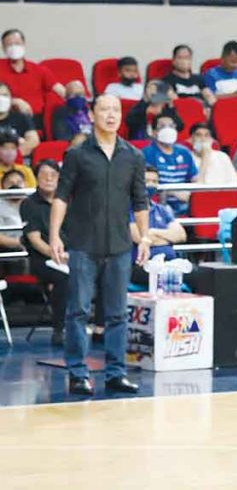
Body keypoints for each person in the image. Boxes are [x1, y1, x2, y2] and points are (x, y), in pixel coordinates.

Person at [50, 95, 150, 396]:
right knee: (78, 311)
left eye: (116, 110)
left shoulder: (133, 155)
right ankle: (77, 374)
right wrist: (55, 235)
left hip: (120, 245)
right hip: (82, 244)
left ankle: (116, 373)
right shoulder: (77, 155)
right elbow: (61, 196)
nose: (111, 115)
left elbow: (140, 200)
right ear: (92, 115)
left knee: (118, 313)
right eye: (104, 109)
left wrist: (144, 236)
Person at [20, 159, 67, 345]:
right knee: (64, 278)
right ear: (36, 178)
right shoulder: (29, 204)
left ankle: (99, 328)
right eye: (44, 175)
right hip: (42, 259)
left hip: (71, 256)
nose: (49, 179)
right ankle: (59, 329)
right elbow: (34, 239)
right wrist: (57, 256)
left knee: (102, 268)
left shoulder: (67, 201)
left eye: (53, 175)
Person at [130, 167, 186, 284]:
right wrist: (167, 238)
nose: (151, 185)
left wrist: (153, 232)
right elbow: (138, 237)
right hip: (141, 266)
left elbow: (181, 235)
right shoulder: (127, 209)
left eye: (154, 182)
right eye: (147, 181)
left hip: (169, 263)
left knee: (199, 275)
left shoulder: (162, 209)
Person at [141, 112, 198, 216]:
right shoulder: (147, 153)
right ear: (154, 132)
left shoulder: (184, 152)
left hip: (186, 203)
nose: (168, 130)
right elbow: (148, 183)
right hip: (160, 204)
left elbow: (195, 178)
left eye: (171, 126)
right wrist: (173, 192)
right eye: (162, 126)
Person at [0, 29, 65, 115]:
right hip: (7, 117)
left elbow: (61, 90)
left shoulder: (39, 69)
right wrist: (14, 101)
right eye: (9, 45)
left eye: (17, 43)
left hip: (34, 117)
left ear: (24, 44)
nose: (14, 47)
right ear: (4, 48)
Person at [0, 81, 39, 156]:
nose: (1, 99)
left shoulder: (21, 117)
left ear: (11, 99)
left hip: (17, 161)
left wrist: (14, 155)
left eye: (4, 95)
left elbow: (33, 140)